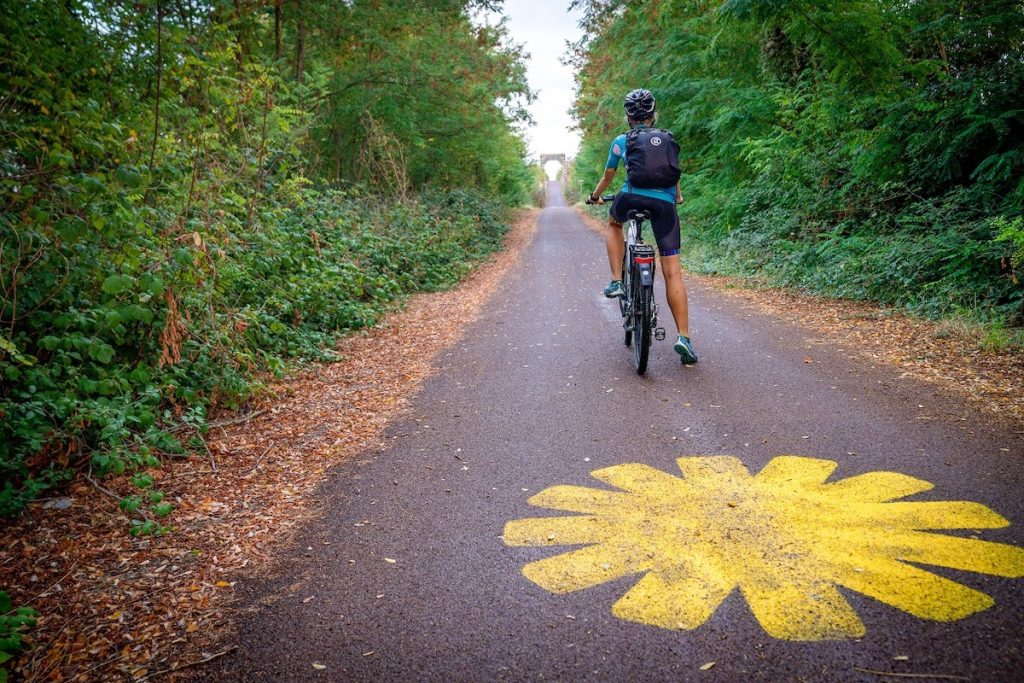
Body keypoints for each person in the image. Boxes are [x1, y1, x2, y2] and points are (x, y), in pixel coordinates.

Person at [587, 88, 698, 364]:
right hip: (665, 205)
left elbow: (608, 175)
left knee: (614, 223)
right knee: (673, 273)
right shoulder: (667, 139)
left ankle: (616, 281)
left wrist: (595, 196)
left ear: (628, 116)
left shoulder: (621, 141)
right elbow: (673, 173)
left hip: (631, 197)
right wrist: (678, 196)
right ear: (653, 114)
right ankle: (684, 338)